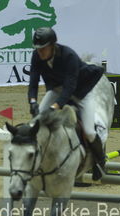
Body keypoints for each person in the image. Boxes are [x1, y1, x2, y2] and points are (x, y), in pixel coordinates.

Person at [27, 27, 110, 180]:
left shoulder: (68, 55)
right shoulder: (36, 56)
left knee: (90, 131)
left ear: (52, 45)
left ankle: (100, 161)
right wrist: (32, 102)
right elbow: (33, 81)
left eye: (43, 48)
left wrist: (55, 107)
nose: (40, 52)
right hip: (57, 90)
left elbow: (70, 86)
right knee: (35, 122)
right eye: (38, 49)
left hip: (81, 91)